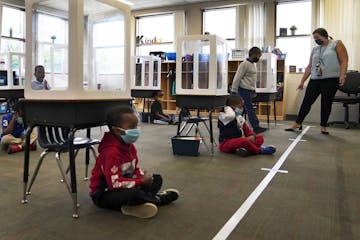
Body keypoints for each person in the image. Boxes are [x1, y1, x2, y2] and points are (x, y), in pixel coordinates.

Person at [89, 106, 179, 218]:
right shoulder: (110, 153)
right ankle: (158, 199)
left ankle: (137, 204)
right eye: (132, 127)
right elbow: (114, 184)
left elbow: (134, 169)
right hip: (104, 193)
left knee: (156, 179)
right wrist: (141, 182)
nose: (136, 130)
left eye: (136, 126)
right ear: (117, 130)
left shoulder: (129, 147)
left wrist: (142, 176)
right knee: (134, 194)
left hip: (126, 185)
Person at [285, 28, 348, 134]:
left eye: (317, 38)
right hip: (315, 79)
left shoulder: (336, 44)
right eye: (314, 38)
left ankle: (323, 126)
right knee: (307, 101)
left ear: (325, 36)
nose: (316, 40)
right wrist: (302, 81)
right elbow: (310, 66)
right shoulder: (315, 49)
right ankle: (298, 123)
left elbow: (344, 60)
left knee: (326, 103)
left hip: (330, 79)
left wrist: (342, 74)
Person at [231, 47, 267, 134]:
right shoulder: (244, 64)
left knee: (242, 110)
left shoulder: (252, 65)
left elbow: (252, 79)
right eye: (258, 56)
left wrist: (253, 90)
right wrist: (234, 90)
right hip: (242, 90)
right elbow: (237, 77)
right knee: (249, 108)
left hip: (248, 90)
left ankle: (233, 124)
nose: (258, 58)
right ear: (252, 54)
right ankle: (256, 127)